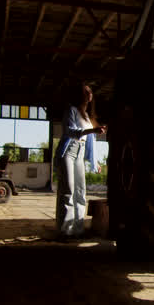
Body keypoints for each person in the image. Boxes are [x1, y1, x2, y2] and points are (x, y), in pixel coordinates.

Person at [55, 83, 105, 238]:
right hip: (68, 153)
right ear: (79, 95)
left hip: (80, 154)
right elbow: (69, 131)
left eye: (90, 91)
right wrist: (92, 130)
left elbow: (91, 141)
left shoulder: (88, 116)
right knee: (68, 191)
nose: (89, 93)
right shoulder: (71, 110)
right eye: (86, 91)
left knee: (80, 191)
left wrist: (94, 161)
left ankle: (78, 229)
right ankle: (65, 230)